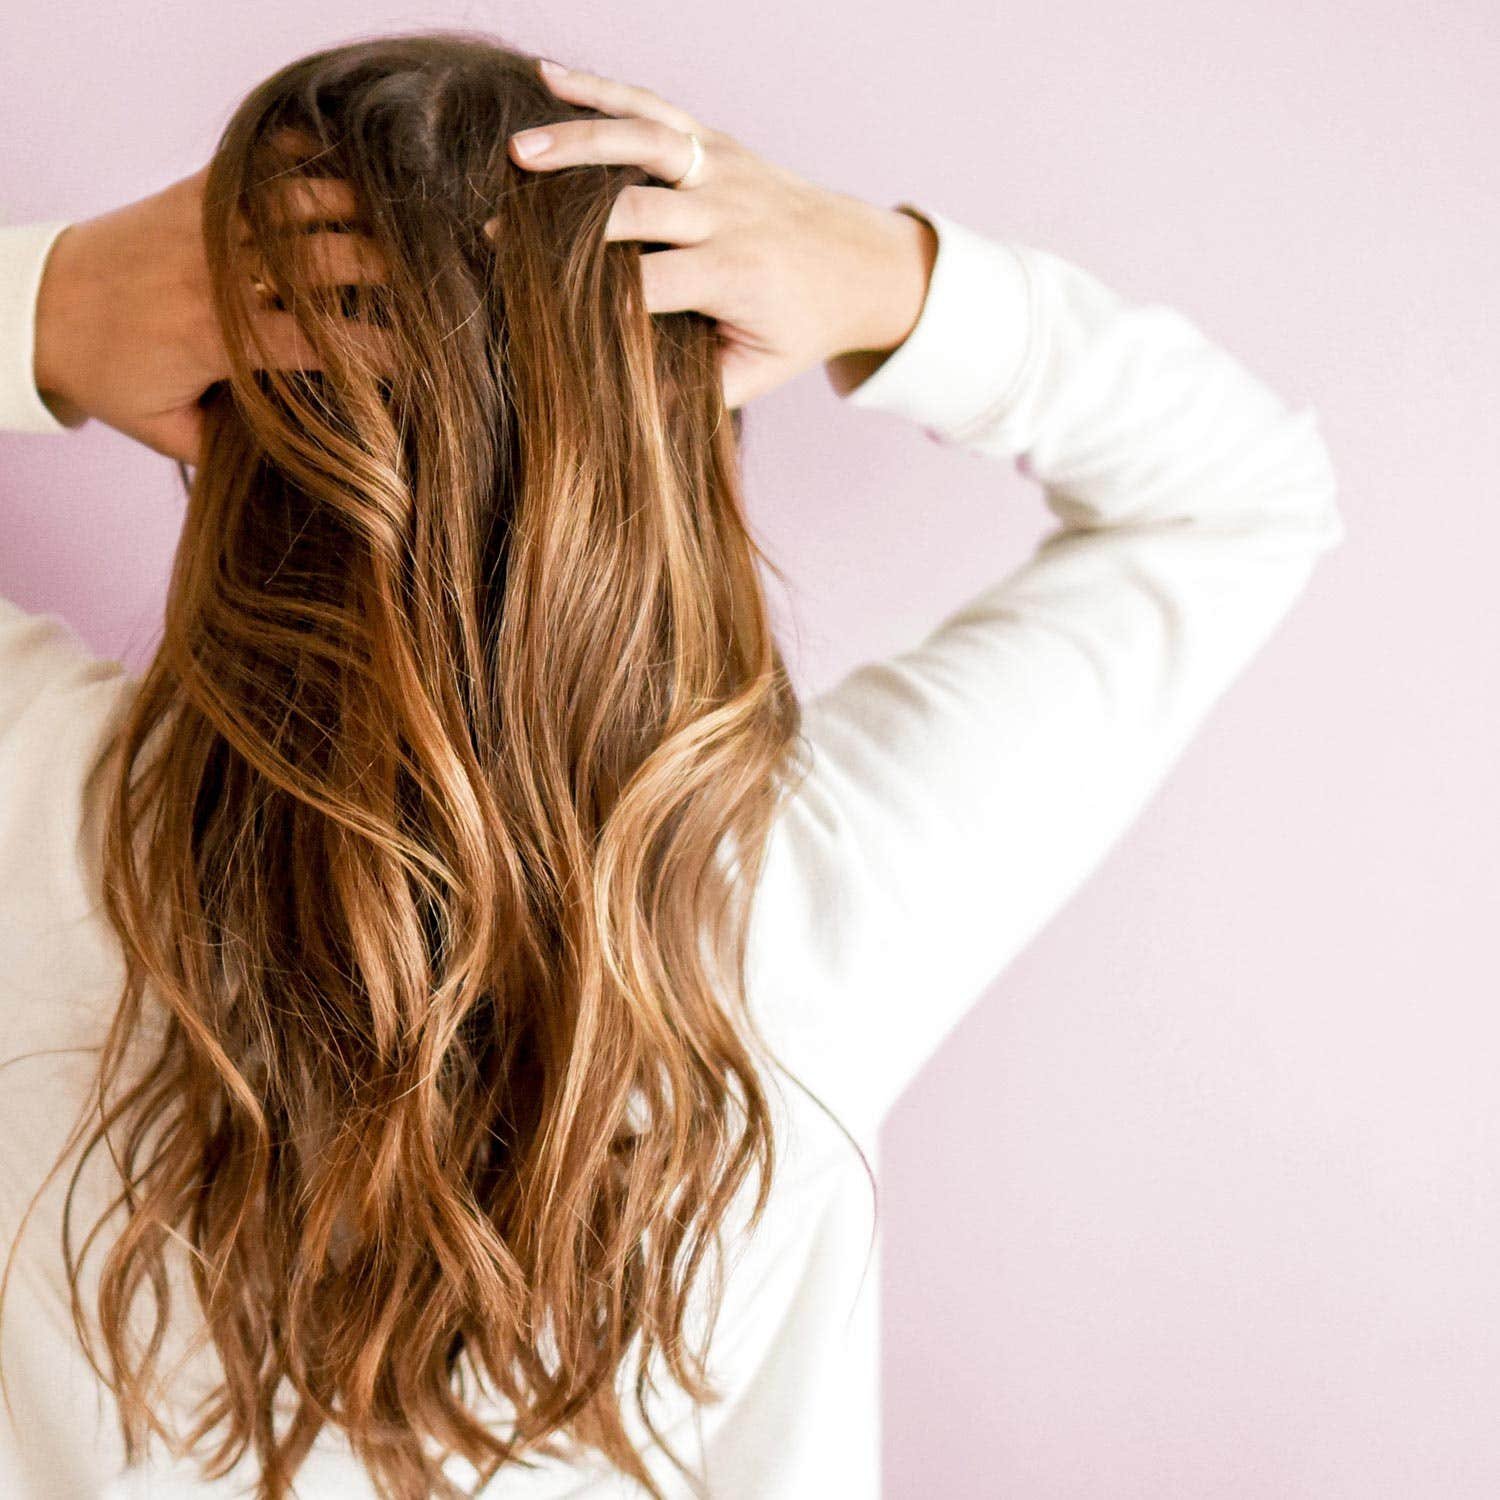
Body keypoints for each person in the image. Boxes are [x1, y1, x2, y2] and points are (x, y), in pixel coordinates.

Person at [0, 32, 1344, 1500]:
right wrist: (888, 281)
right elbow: (1238, 500)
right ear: (680, 445)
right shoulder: (819, 887)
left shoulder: (34, 806)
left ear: (222, 414)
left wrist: (47, 308)